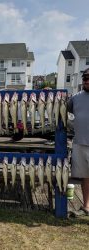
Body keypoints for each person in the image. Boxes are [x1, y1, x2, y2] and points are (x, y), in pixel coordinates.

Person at [68, 68, 89, 216]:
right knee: (84, 176)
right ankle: (86, 206)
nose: (87, 81)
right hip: (79, 142)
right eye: (85, 78)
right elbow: (60, 106)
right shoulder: (75, 98)